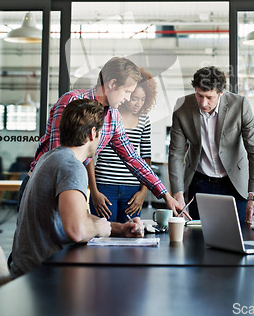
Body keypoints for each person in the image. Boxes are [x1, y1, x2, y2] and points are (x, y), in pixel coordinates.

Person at [23, 57, 184, 216]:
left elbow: (132, 158)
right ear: (112, 84)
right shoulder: (72, 101)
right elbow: (58, 156)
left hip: (69, 187)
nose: (128, 98)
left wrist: (165, 195)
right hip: (43, 187)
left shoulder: (113, 116)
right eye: (127, 91)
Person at [10, 99, 144, 279]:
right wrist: (98, 230)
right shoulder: (72, 166)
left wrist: (119, 229)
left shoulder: (50, 158)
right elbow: (77, 230)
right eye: (101, 133)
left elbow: (75, 215)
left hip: (29, 271)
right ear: (92, 133)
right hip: (43, 278)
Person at [168, 66, 254, 224]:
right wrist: (177, 192)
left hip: (234, 183)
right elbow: (176, 153)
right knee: (197, 238)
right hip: (199, 183)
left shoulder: (240, 105)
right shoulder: (182, 107)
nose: (204, 103)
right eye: (199, 95)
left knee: (238, 237)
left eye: (209, 97)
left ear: (221, 93)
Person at [90, 68, 157, 222]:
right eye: (134, 98)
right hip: (105, 186)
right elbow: (90, 155)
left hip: (132, 190)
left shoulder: (144, 120)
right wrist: (93, 191)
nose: (138, 104)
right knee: (103, 236)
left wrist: (143, 192)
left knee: (131, 236)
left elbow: (145, 157)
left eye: (142, 99)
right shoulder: (108, 115)